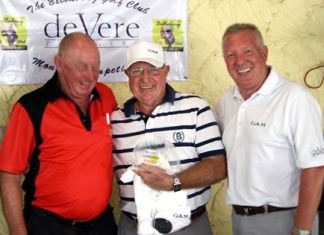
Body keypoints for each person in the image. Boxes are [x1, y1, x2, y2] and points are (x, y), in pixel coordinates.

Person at [0, 32, 118, 235]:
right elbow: (9, 174)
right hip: (49, 227)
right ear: (59, 63)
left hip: (101, 226)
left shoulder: (106, 96)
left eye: (95, 67)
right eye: (81, 66)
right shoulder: (31, 107)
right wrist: (18, 231)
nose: (90, 76)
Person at [215, 23, 324, 235]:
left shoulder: (295, 98)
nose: (239, 61)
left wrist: (302, 230)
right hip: (239, 220)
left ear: (264, 53)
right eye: (231, 55)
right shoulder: (226, 102)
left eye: (248, 51)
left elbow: (316, 168)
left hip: (285, 220)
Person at [112, 40, 226, 235]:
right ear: (127, 75)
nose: (145, 78)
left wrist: (173, 182)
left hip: (188, 227)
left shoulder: (195, 108)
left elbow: (218, 166)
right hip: (133, 227)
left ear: (166, 71)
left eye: (153, 69)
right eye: (136, 70)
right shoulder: (116, 118)